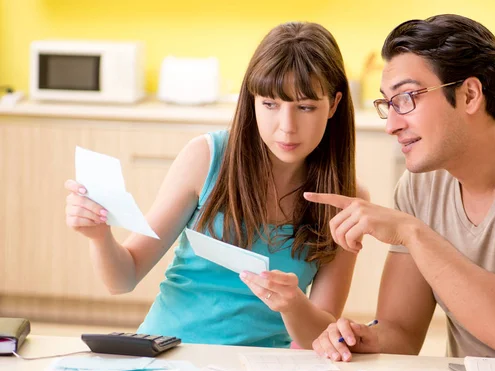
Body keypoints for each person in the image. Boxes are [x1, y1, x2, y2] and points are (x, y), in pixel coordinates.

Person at [307, 14, 495, 360]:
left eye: (406, 99)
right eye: (389, 104)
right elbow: (401, 332)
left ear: (470, 95)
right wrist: (356, 338)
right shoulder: (419, 187)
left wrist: (412, 233)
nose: (392, 125)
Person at [64, 21, 368, 348]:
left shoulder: (347, 200)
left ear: (334, 104)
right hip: (170, 352)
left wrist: (293, 304)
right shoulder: (206, 158)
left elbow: (319, 339)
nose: (287, 127)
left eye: (306, 107)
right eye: (270, 104)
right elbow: (122, 278)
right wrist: (99, 237)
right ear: (252, 100)